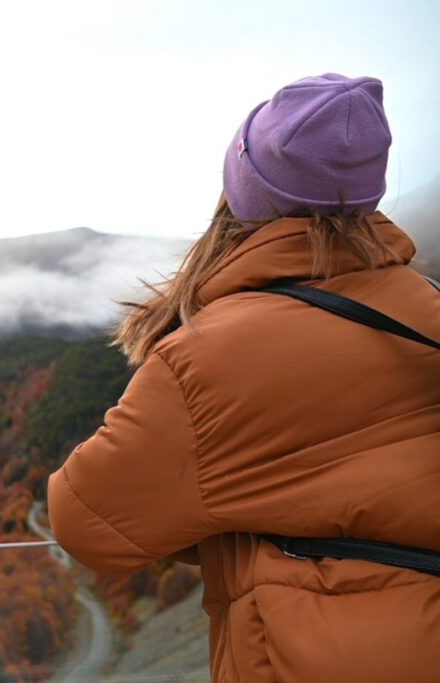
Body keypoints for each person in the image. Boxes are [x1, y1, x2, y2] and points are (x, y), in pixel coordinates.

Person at [47, 73, 440, 682]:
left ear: (241, 188)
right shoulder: (429, 308)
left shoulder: (202, 360)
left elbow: (85, 523)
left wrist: (226, 505)